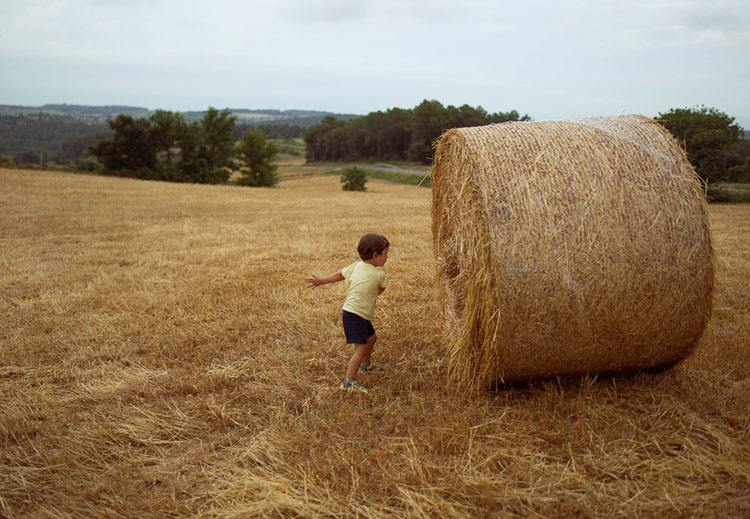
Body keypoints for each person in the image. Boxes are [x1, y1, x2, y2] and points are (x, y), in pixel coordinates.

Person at [305, 233, 389, 392]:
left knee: (372, 339)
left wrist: (322, 280)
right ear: (375, 254)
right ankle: (348, 381)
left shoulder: (356, 266)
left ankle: (366, 365)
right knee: (361, 347)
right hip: (354, 314)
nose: (387, 258)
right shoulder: (378, 274)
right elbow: (382, 288)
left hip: (358, 313)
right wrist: (321, 280)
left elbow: (340, 274)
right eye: (385, 254)